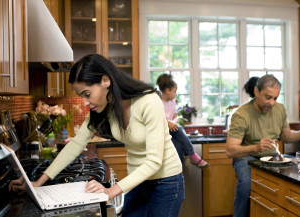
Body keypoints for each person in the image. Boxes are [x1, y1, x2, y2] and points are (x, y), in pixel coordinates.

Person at [11, 54, 185, 217]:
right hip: (137, 181)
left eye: (87, 94)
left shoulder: (148, 101)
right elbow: (75, 144)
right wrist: (37, 183)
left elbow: (154, 161)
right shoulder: (107, 106)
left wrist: (111, 191)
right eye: (81, 96)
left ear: (105, 80)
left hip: (166, 182)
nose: (85, 102)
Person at [225, 75, 300, 217]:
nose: (272, 103)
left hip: (274, 157)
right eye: (268, 97)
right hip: (247, 158)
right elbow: (230, 150)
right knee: (246, 182)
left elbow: (286, 136)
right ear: (256, 92)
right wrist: (256, 148)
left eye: (275, 98)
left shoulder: (279, 109)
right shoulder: (241, 114)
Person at [156, 73, 209, 168]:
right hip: (162, 133)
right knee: (179, 130)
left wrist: (174, 121)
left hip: (172, 132)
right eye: (174, 91)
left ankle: (179, 172)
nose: (175, 94)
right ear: (168, 90)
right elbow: (156, 119)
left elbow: (174, 115)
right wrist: (168, 122)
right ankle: (193, 156)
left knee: (178, 146)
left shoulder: (172, 101)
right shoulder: (157, 102)